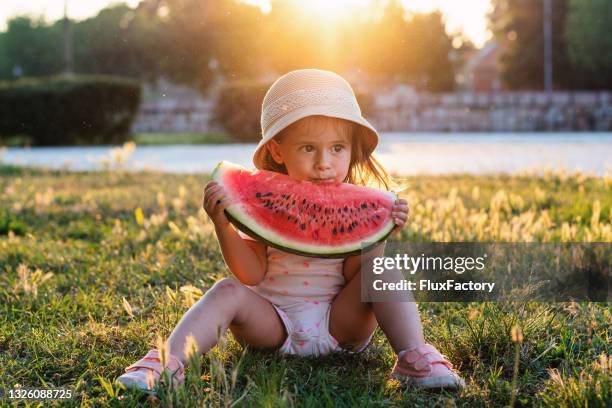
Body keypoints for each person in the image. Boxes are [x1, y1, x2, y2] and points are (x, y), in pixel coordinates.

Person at [116, 69, 465, 392]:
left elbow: (356, 274)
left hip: (339, 325)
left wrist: (377, 233)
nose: (324, 162)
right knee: (226, 290)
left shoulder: (357, 202)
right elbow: (251, 274)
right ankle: (167, 363)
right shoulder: (267, 204)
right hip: (273, 324)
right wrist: (223, 226)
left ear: (352, 151)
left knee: (383, 270)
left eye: (337, 148)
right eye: (308, 148)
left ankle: (414, 358)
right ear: (277, 151)